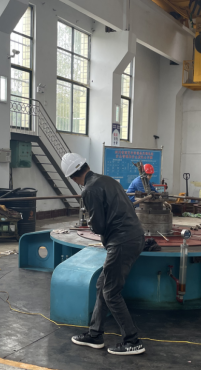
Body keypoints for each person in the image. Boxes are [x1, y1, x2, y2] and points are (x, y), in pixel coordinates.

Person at [61, 152, 146, 355]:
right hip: (134, 237)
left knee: (110, 291)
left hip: (121, 241)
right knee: (103, 285)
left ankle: (132, 340)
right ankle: (95, 334)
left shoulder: (89, 190)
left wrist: (91, 222)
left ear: (72, 177)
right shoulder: (108, 180)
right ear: (86, 166)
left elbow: (98, 226)